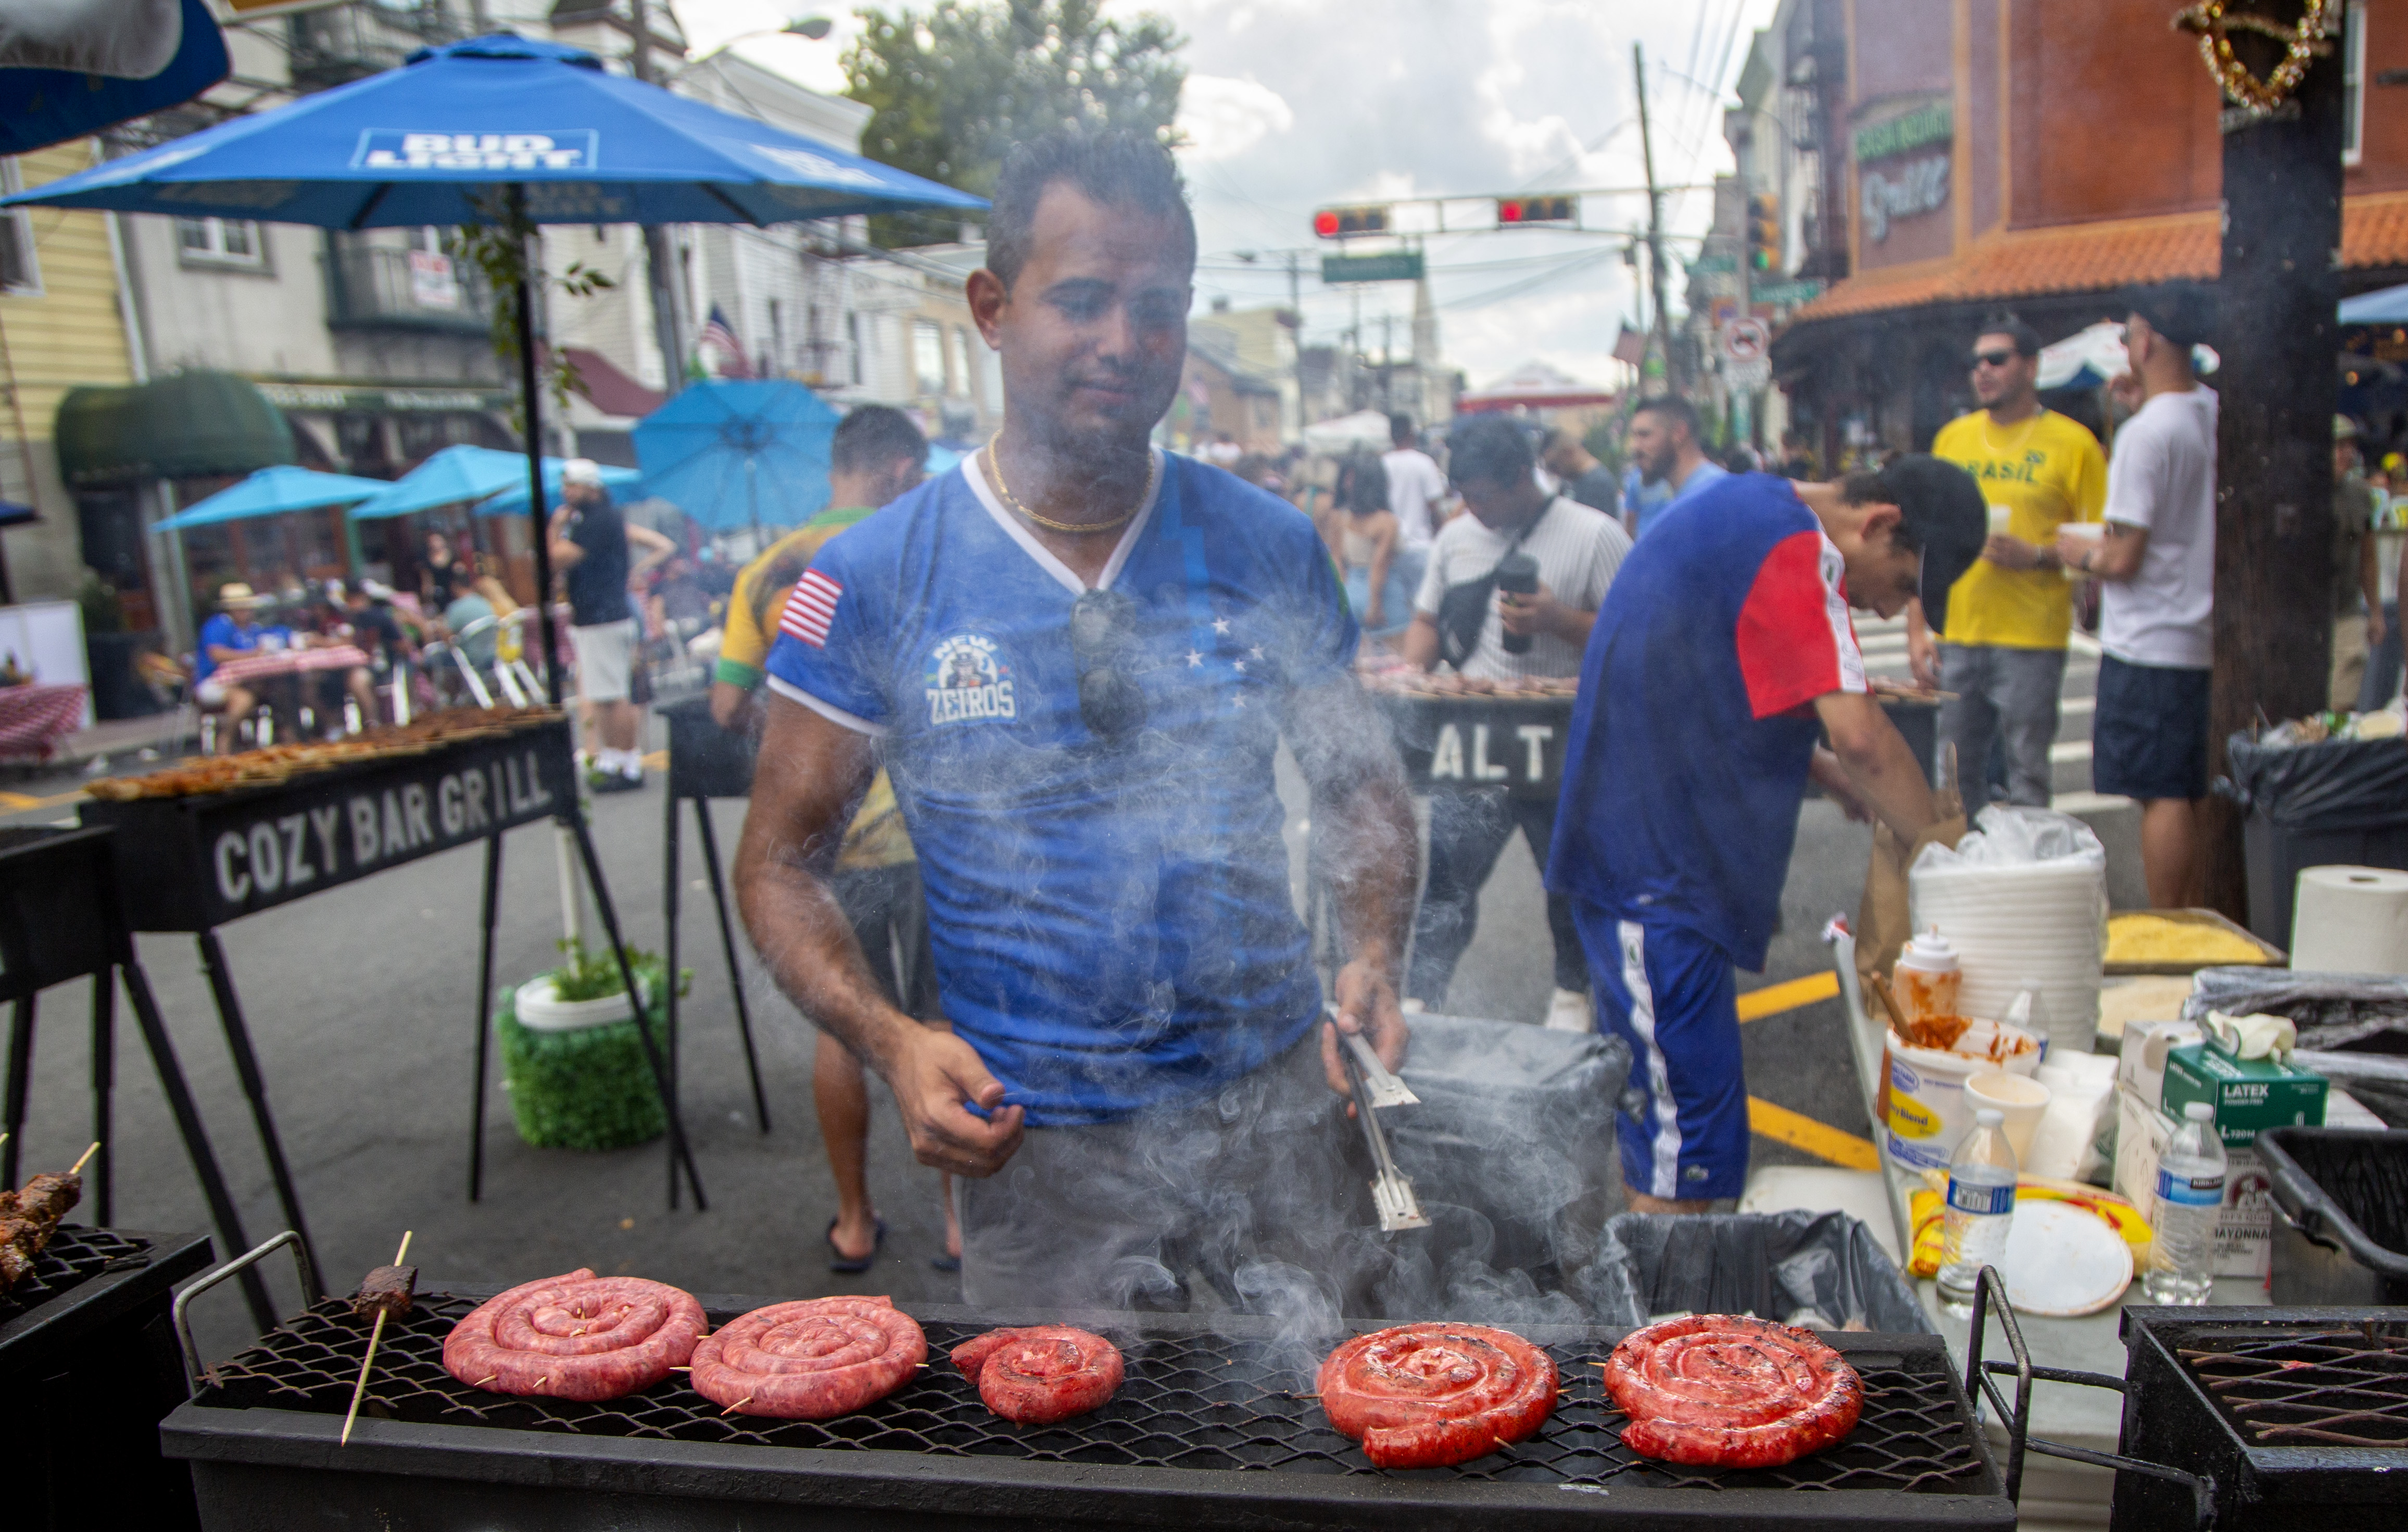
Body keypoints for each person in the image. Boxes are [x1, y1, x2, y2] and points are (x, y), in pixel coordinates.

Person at [733, 130, 1417, 1314]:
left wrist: (1371, 954)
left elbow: (1359, 786)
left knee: (1311, 1456)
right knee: (1075, 1484)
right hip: (1034, 1146)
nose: (1123, 343)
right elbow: (778, 865)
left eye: (1157, 307)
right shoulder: (874, 578)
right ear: (992, 308)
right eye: (1083, 301)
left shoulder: (1266, 544)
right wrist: (893, 1040)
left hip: (1277, 1110)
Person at [1550, 457, 1985, 1212]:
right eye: (1904, 583)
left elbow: (1711, 667)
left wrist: (1818, 770)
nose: (1887, 610)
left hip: (1662, 860)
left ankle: (1683, 1307)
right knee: (1681, 1152)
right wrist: (1950, 859)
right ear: (1879, 522)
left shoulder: (1745, 506)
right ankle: (1667, 1320)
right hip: (1655, 875)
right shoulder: (1796, 543)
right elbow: (1865, 738)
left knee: (1693, 1133)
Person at [708, 404, 956, 1272]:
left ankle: (854, 1219)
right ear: (896, 469)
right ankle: (963, 1223)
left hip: (823, 845)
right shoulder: (917, 559)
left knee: (847, 1023)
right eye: (916, 475)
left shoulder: (763, 571)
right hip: (924, 831)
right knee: (941, 1013)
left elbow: (727, 706)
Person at [1400, 414, 1631, 1032]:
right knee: (1448, 874)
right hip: (1473, 735)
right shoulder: (1456, 538)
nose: (1470, 508)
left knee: (1566, 880)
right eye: (1462, 496)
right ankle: (1422, 997)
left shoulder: (1595, 534)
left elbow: (1635, 640)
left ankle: (1572, 997)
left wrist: (1559, 619)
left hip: (1560, 739)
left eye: (1481, 495)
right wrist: (1409, 678)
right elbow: (1425, 619)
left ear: (1521, 478)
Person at [2056, 285, 2220, 910]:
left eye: (2126, 338)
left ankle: (2170, 924)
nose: (2125, 350)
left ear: (2145, 340)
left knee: (2161, 792)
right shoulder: (2208, 411)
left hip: (2148, 635)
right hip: (2194, 629)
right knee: (2185, 785)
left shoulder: (2147, 435)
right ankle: (2195, 917)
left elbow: (2122, 556)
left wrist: (2079, 555)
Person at [1909, 315, 2108, 817]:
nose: (1983, 370)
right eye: (1976, 361)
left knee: (2027, 773)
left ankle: (2025, 878)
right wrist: (1919, 628)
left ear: (2031, 366)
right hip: (1960, 629)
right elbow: (1924, 540)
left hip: (2031, 636)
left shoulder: (2074, 444)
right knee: (1953, 773)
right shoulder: (1952, 440)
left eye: (1996, 359)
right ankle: (1966, 877)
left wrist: (2036, 555)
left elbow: (2099, 545)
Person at [550, 458, 674, 790]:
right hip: (602, 615)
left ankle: (626, 760)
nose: (566, 492)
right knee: (603, 693)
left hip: (602, 617)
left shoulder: (596, 521)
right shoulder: (602, 519)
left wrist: (553, 528)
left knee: (612, 693)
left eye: (572, 485)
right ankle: (616, 758)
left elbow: (558, 558)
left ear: (590, 487)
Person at [1321, 452, 1416, 642]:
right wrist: (1375, 604)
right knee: (1394, 665)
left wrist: (1342, 599)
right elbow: (1379, 566)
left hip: (1351, 593)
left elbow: (1337, 561)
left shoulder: (1339, 518)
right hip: (1385, 596)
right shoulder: (1387, 522)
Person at [2330, 415, 2385, 712]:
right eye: (2337, 446)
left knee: (2343, 703)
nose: (2344, 453)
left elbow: (2368, 557)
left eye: (2349, 445)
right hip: (2304, 618)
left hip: (2346, 610)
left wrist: (2375, 611)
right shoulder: (2303, 492)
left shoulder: (2361, 495)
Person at [1622, 396, 1727, 539]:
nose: (1635, 447)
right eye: (1634, 437)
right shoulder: (1687, 494)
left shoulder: (1712, 493)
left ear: (1679, 433)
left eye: (1645, 435)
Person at [193, 582, 271, 750]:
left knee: (278, 691)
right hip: (213, 681)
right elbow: (217, 655)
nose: (246, 612)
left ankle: (275, 740)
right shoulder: (218, 626)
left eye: (247, 608)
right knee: (244, 699)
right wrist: (251, 655)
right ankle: (226, 740)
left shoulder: (252, 628)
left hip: (244, 680)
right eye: (241, 608)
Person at [1382, 411, 1450, 552]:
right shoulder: (1424, 463)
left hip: (1389, 546)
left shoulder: (1382, 464)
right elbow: (1434, 505)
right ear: (1411, 434)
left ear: (1391, 436)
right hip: (1421, 544)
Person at [1542, 426, 1622, 515]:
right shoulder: (1572, 481)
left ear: (1568, 453)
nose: (1556, 474)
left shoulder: (1598, 484)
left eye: (1554, 466)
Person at [422, 528, 468, 611]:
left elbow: (462, 572)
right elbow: (427, 580)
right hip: (438, 592)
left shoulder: (453, 556)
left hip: (453, 590)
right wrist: (428, 594)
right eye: (432, 541)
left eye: (437, 540)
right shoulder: (427, 560)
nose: (435, 544)